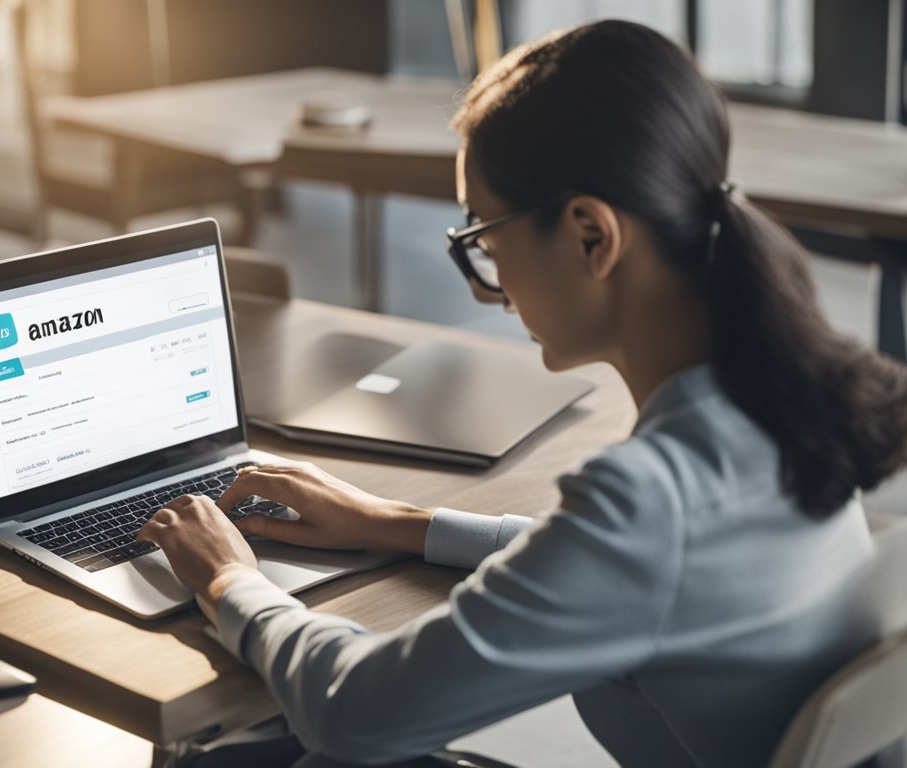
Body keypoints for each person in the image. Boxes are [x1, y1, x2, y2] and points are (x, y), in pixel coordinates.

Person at [137, 19, 907, 768]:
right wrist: (397, 522)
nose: (487, 291)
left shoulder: (654, 498)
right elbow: (612, 572)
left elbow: (355, 710)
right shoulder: (774, 401)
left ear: (590, 237)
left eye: (484, 241)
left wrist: (229, 579)